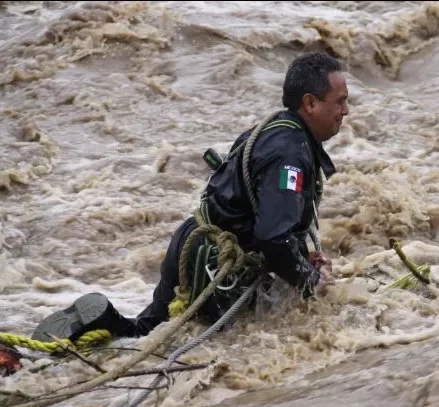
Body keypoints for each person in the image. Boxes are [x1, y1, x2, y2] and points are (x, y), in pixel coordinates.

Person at [32, 52, 349, 343]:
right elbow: (272, 238)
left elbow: (256, 211)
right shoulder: (290, 153)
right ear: (310, 103)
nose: (345, 111)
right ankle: (72, 350)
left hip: (193, 240)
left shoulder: (273, 129)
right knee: (202, 348)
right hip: (216, 268)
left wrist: (299, 256)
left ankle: (81, 332)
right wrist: (310, 282)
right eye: (340, 101)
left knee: (149, 334)